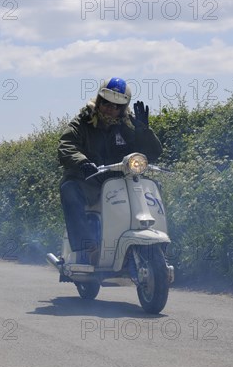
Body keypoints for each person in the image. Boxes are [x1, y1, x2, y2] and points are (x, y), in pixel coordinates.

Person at [58, 77, 163, 264]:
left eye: (117, 106)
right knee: (69, 189)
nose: (111, 109)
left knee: (153, 188)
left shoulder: (127, 126)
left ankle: (150, 243)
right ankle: (86, 248)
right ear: (99, 101)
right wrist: (82, 162)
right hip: (89, 180)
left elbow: (152, 153)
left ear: (122, 108)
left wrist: (144, 130)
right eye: (106, 103)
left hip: (121, 181)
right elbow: (66, 146)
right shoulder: (83, 122)